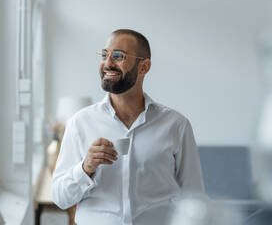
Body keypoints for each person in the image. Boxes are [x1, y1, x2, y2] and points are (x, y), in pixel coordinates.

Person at [51, 29, 205, 225]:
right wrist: (85, 168)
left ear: (144, 67)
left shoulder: (176, 125)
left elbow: (194, 199)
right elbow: (60, 198)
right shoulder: (80, 123)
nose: (107, 63)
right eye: (105, 55)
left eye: (118, 56)